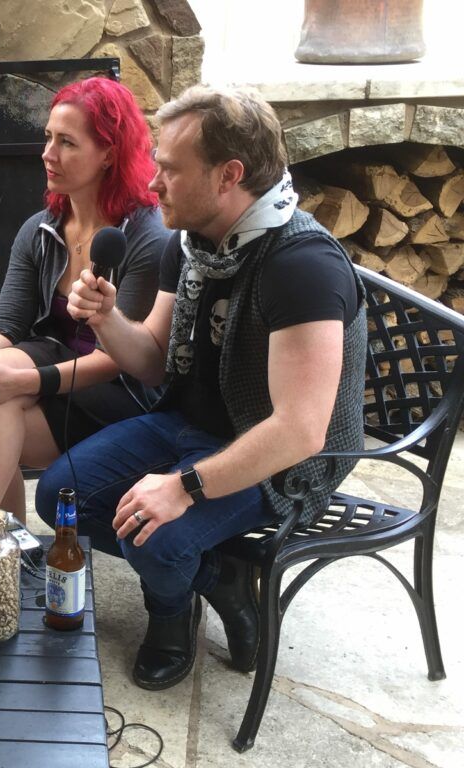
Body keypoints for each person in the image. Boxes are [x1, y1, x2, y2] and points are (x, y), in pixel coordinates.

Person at [37, 86, 366, 690]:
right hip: (192, 424)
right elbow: (155, 363)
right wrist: (106, 320)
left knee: (156, 539)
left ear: (228, 176)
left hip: (285, 461)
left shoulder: (301, 267)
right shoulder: (190, 243)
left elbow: (300, 429)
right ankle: (217, 577)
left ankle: (169, 612)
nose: (152, 184)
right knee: (60, 498)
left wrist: (184, 487)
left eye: (168, 169)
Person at [0, 77, 170, 521]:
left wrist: (21, 382)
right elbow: (5, 323)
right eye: (48, 137)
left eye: (67, 142)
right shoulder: (41, 229)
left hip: (121, 395)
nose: (48, 154)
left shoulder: (148, 236)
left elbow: (127, 359)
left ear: (108, 153)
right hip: (55, 382)